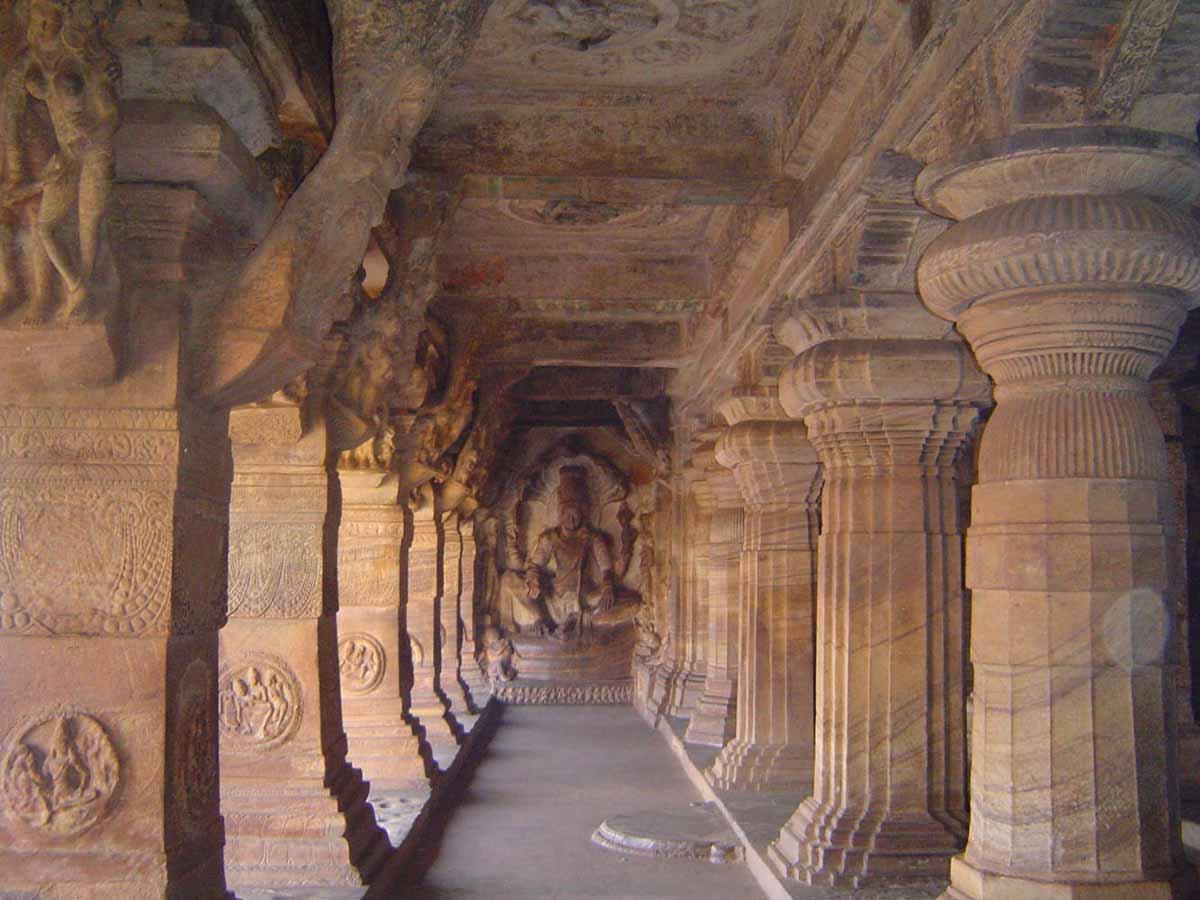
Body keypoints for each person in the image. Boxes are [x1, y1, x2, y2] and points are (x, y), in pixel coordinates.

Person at [1, 0, 119, 322]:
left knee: (87, 224)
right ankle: (75, 285)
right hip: (63, 155)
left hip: (92, 151)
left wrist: (91, 139)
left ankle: (82, 291)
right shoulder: (27, 63)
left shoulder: (82, 60)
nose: (40, 28)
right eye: (35, 20)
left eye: (48, 20)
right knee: (44, 226)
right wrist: (14, 168)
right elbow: (10, 109)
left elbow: (110, 114)